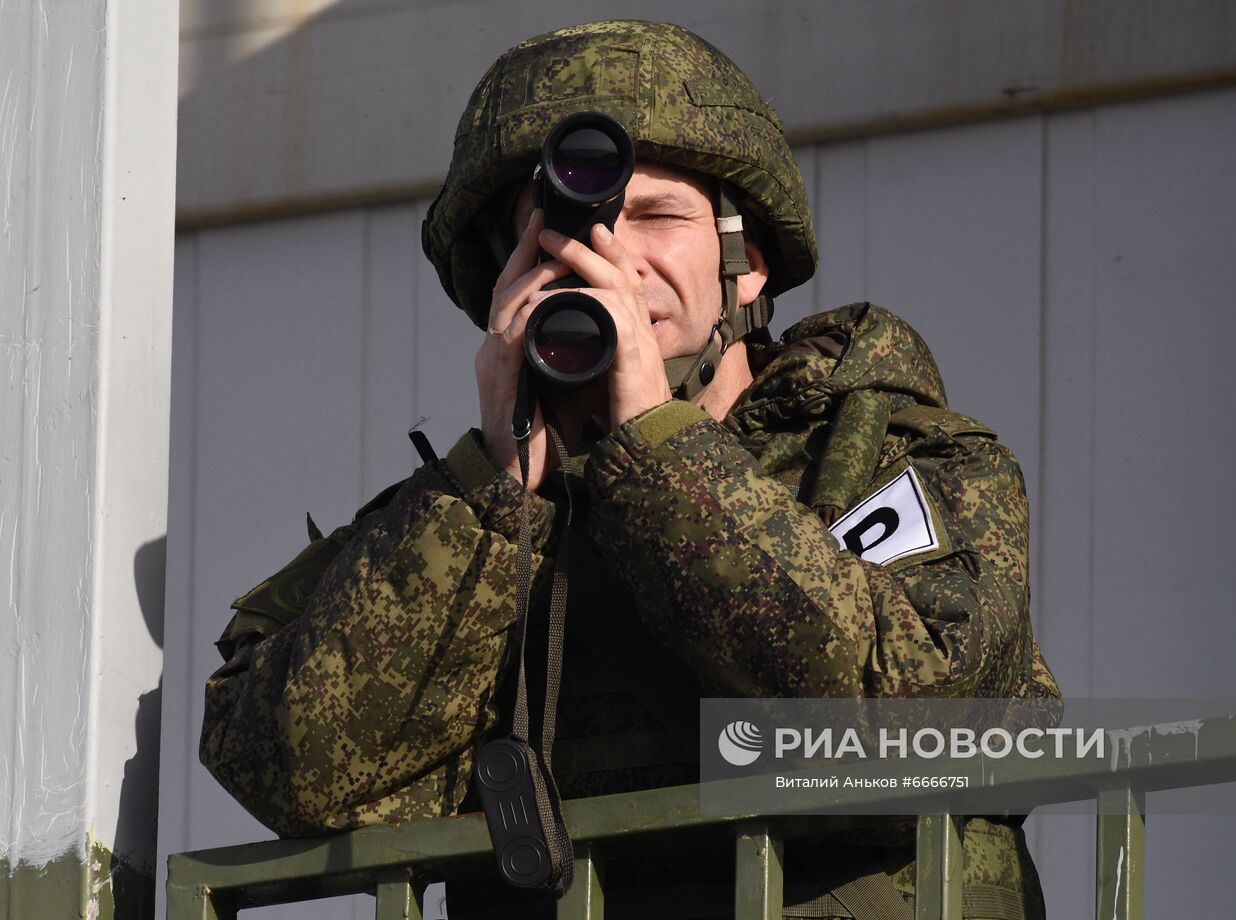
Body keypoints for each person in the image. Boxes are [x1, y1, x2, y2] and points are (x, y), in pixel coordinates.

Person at [200, 19, 1061, 920]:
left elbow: (912, 726)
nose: (605, 260)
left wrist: (653, 444)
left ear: (747, 262)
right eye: (550, 230)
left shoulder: (895, 463)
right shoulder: (464, 520)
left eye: (656, 216)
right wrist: (495, 492)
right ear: (504, 277)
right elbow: (298, 776)